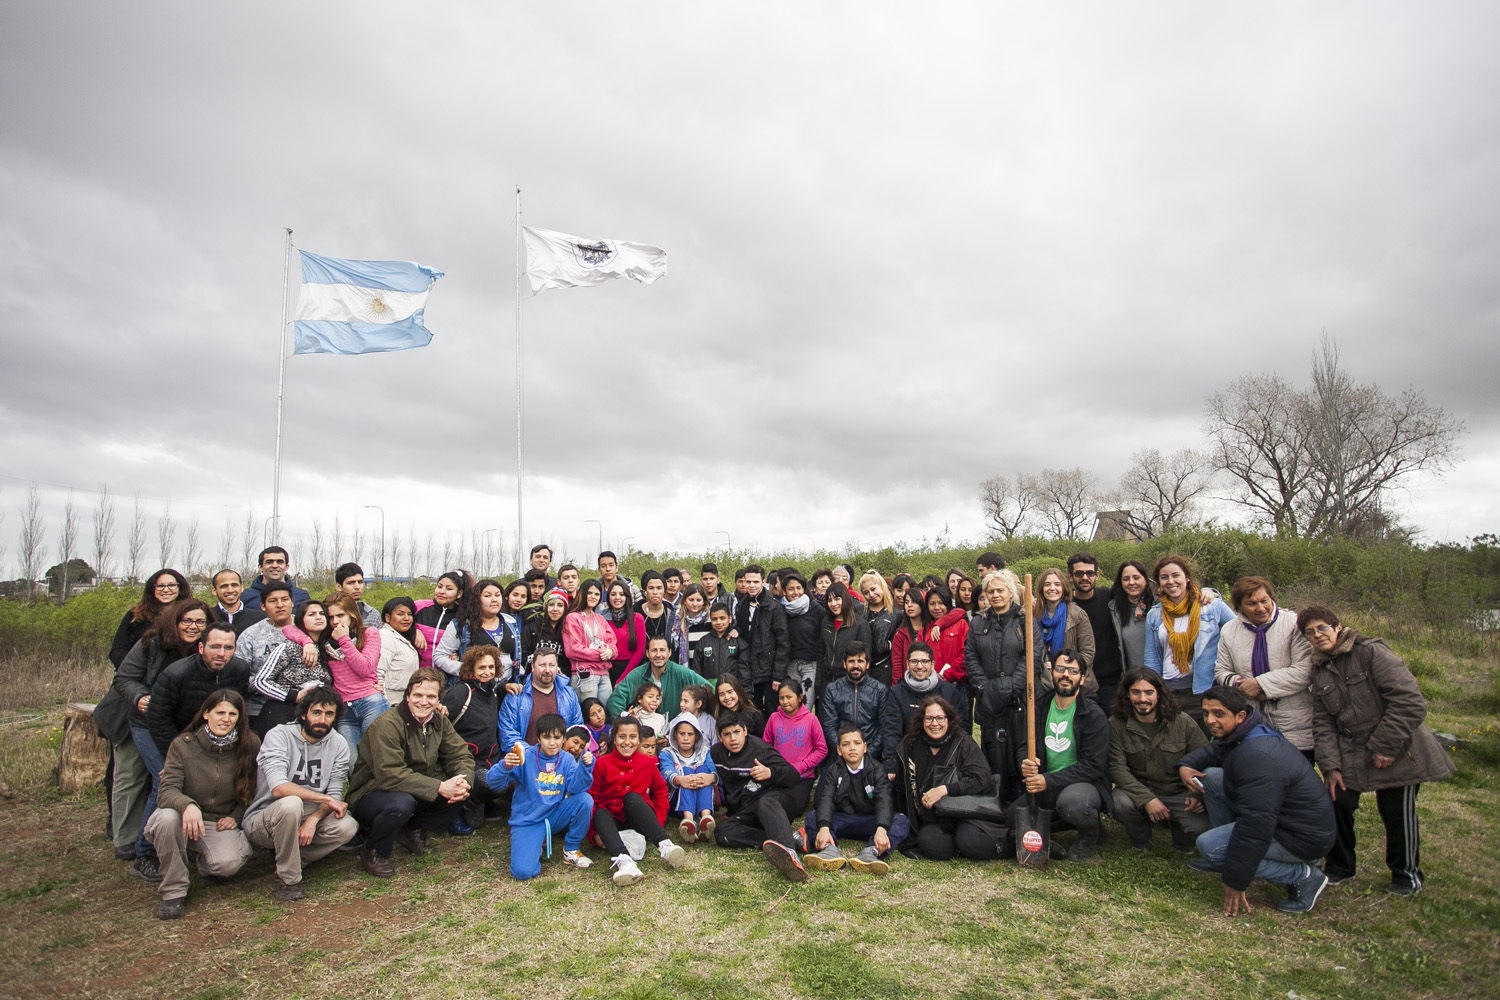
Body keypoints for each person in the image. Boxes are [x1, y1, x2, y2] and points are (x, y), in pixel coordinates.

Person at [1301, 606, 1455, 895]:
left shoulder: (1370, 652)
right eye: (1310, 632)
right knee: (1336, 800)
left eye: (1322, 627)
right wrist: (1331, 767)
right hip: (1352, 750)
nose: (1317, 635)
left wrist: (1385, 745)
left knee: (1396, 811)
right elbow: (1323, 723)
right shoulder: (1319, 669)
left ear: (1338, 626)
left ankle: (1406, 875)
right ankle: (1339, 867)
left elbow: (1410, 701)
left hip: (1399, 747)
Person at [96, 597, 212, 872]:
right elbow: (124, 678)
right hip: (147, 722)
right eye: (187, 620)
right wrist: (139, 697)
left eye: (200, 621)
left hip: (187, 726)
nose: (193, 626)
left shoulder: (209, 648)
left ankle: (187, 844)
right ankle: (146, 853)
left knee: (191, 781)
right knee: (165, 780)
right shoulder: (153, 644)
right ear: (175, 621)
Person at [345, 669, 475, 878]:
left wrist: (463, 781)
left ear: (439, 699)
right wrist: (440, 787)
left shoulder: (439, 721)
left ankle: (412, 830)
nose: (424, 702)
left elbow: (460, 755)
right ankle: (373, 850)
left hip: (415, 785)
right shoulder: (387, 724)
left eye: (431, 696)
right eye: (418, 695)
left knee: (464, 786)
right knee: (401, 804)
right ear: (408, 696)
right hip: (373, 792)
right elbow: (390, 774)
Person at [143, 689, 259, 919]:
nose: (226, 719)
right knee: (166, 818)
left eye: (232, 714)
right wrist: (187, 805)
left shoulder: (249, 743)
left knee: (227, 865)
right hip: (181, 818)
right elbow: (166, 791)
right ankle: (174, 891)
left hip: (216, 822)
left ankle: (199, 862)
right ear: (206, 714)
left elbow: (253, 790)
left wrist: (236, 816)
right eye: (220, 712)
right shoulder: (183, 745)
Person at [242, 686, 358, 901]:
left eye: (329, 714)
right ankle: (289, 878)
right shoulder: (279, 735)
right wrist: (325, 799)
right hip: (266, 815)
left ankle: (290, 859)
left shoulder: (338, 743)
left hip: (307, 812)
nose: (322, 719)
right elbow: (278, 788)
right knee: (291, 803)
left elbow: (334, 793)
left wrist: (314, 819)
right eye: (316, 712)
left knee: (347, 826)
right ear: (304, 713)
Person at [1018, 650, 1112, 859]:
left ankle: (1089, 835)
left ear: (1082, 678)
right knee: (1010, 820)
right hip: (1046, 781)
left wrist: (1048, 780)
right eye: (1060, 669)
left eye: (1073, 671)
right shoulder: (1039, 706)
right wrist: (1025, 762)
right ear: (1052, 674)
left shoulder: (1093, 714)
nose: (1065, 675)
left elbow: (1092, 766)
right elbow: (1025, 745)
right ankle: (1055, 828)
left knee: (1073, 805)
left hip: (1082, 784)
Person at [1212, 576, 1316, 757]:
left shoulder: (1293, 624)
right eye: (1251, 603)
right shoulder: (1229, 630)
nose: (1260, 608)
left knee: (1297, 776)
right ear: (1239, 607)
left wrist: (1261, 685)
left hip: (1294, 719)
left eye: (1264, 601)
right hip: (1253, 717)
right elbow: (1222, 670)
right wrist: (1243, 686)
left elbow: (1304, 670)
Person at [1108, 668, 1209, 852]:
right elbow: (1117, 768)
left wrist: (1196, 795)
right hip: (1140, 790)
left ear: (1159, 694)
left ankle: (1181, 838)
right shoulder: (1116, 724)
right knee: (1118, 802)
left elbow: (1205, 760)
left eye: (1149, 692)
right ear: (1127, 695)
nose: (1142, 699)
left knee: (1200, 828)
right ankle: (1142, 841)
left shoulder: (1183, 722)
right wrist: (1147, 799)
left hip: (1179, 792)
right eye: (1135, 692)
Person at [486, 713, 596, 880]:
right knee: (523, 873)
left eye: (557, 737)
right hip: (528, 820)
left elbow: (575, 788)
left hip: (554, 816)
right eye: (546, 737)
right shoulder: (525, 756)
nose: (552, 743)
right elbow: (492, 782)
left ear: (563, 739)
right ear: (538, 738)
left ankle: (571, 849)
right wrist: (505, 766)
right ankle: (535, 843)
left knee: (585, 800)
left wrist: (585, 767)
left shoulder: (566, 759)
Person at [964, 569, 1045, 793]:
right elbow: (971, 658)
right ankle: (998, 800)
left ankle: (1024, 799)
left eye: (1000, 590)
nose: (995, 595)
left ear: (1011, 592)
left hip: (1021, 699)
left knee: (1022, 751)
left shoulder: (1025, 621)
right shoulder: (978, 623)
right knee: (995, 754)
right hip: (991, 703)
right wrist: (986, 689)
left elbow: (1032, 656)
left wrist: (1010, 687)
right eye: (991, 591)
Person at [894, 695, 998, 861]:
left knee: (971, 841)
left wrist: (945, 790)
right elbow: (901, 787)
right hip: (933, 820)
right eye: (929, 718)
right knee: (928, 841)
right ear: (921, 721)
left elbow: (982, 779)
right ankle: (959, 848)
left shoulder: (963, 743)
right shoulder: (910, 745)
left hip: (964, 815)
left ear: (949, 719)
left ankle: (980, 844)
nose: (935, 724)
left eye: (940, 718)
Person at [710, 710, 809, 882]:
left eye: (736, 732)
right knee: (722, 832)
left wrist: (770, 772)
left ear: (745, 731)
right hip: (747, 810)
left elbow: (793, 775)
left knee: (766, 802)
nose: (733, 739)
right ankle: (784, 839)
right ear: (719, 736)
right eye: (727, 734)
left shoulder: (760, 749)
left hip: (776, 801)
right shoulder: (716, 753)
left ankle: (792, 858)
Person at [1144, 556, 1237, 730]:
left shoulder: (1212, 606)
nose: (1171, 581)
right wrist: (1154, 689)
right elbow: (1152, 657)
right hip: (1168, 691)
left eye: (1176, 575)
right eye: (1164, 578)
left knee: (1202, 743)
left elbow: (1240, 631)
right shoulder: (1155, 615)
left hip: (1203, 690)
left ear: (1186, 577)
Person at [803, 724, 910, 873]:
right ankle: (829, 850)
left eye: (857, 743)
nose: (852, 748)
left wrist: (882, 828)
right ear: (839, 750)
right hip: (844, 819)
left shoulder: (877, 769)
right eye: (846, 745)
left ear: (865, 747)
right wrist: (824, 827)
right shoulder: (834, 770)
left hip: (870, 820)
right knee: (813, 817)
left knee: (901, 820)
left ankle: (872, 852)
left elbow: (884, 800)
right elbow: (826, 799)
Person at [589, 716, 683, 885]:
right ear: (614, 739)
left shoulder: (647, 762)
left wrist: (658, 821)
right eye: (622, 737)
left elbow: (660, 790)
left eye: (632, 737)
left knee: (632, 797)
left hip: (638, 819)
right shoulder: (602, 763)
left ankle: (665, 845)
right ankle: (624, 862)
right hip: (612, 822)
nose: (627, 742)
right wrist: (594, 834)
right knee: (600, 813)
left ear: (639, 740)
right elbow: (592, 799)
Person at [441, 647, 505, 834]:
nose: (487, 672)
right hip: (466, 762)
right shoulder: (461, 692)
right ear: (471, 669)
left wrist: (504, 688)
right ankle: (459, 804)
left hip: (490, 759)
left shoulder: (492, 692)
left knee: (502, 782)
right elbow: (441, 723)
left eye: (491, 667)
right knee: (491, 784)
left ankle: (476, 800)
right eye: (482, 667)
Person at [250, 599, 334, 734]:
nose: (318, 617)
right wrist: (294, 695)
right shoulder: (289, 647)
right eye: (311, 614)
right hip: (282, 713)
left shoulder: (327, 648)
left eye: (322, 613)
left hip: (314, 717)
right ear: (301, 619)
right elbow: (260, 681)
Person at [819, 642, 898, 779]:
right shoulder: (832, 689)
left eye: (860, 661)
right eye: (851, 661)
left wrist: (866, 753)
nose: (856, 665)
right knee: (822, 797)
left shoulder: (879, 690)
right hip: (840, 755)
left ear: (867, 664)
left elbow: (883, 726)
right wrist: (844, 752)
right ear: (844, 664)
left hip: (871, 755)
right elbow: (829, 725)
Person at [232, 582, 298, 735]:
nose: (280, 605)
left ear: (292, 602)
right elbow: (240, 678)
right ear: (263, 606)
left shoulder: (307, 627)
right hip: (259, 710)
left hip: (302, 708)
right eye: (273, 601)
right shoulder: (251, 635)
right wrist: (272, 686)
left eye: (284, 599)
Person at [435, 579, 520, 688]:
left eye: (497, 595)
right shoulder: (461, 625)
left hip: (505, 688)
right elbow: (439, 656)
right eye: (487, 596)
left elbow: (516, 657)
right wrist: (468, 671)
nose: (494, 600)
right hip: (472, 689)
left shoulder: (510, 622)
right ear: (476, 600)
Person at [499, 647, 586, 752]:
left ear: (557, 668)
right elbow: (507, 734)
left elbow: (577, 729)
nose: (547, 670)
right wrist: (534, 756)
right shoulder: (516, 695)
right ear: (532, 667)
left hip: (560, 763)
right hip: (525, 763)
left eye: (552, 665)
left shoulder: (569, 694)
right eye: (542, 665)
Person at [607, 636, 713, 722]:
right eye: (654, 650)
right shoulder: (637, 675)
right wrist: (627, 719)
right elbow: (614, 701)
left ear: (669, 653)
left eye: (662, 650)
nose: (658, 655)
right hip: (644, 734)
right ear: (647, 654)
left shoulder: (681, 672)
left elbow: (709, 688)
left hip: (676, 731)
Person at [1068, 552, 1120, 710]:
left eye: (1089, 573)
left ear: (1097, 575)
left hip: (1109, 681)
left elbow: (1139, 596)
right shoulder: (1065, 603)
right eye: (1079, 573)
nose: (1085, 577)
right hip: (1076, 679)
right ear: (1070, 577)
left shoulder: (1109, 597)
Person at [109, 569, 191, 668]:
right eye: (160, 586)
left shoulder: (190, 616)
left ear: (180, 588)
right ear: (152, 590)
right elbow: (118, 649)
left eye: (172, 585)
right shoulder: (136, 615)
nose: (166, 590)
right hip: (138, 674)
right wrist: (129, 673)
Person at [886, 640, 970, 737]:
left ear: (932, 664)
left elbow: (961, 728)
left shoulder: (950, 692)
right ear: (907, 664)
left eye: (924, 661)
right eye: (914, 661)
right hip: (908, 749)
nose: (919, 666)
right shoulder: (897, 693)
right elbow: (891, 732)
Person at [1033, 568, 1097, 692]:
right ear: (1041, 588)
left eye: (1057, 584)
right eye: (1047, 584)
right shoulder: (1032, 614)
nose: (1052, 588)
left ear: (1064, 588)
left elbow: (1088, 652)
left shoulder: (1078, 615)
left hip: (1072, 682)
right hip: (1040, 682)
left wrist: (1063, 668)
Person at [737, 564, 789, 710]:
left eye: (755, 582)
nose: (751, 586)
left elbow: (783, 642)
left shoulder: (774, 607)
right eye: (748, 582)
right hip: (749, 670)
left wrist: (778, 675)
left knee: (773, 711)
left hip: (770, 671)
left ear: (763, 582)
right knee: (753, 711)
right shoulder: (741, 606)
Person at [659, 713, 717, 843]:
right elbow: (666, 771)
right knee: (686, 771)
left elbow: (714, 770)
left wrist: (710, 777)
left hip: (702, 796)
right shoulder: (667, 753)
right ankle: (688, 821)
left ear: (696, 735)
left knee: (703, 770)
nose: (686, 738)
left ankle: (706, 819)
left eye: (690, 734)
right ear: (675, 734)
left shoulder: (705, 751)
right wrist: (680, 779)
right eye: (682, 734)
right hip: (677, 799)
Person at [564, 579, 617, 705]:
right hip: (585, 674)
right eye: (590, 593)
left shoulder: (600, 619)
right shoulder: (572, 618)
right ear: (582, 594)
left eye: (597, 594)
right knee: (589, 716)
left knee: (603, 717)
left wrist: (611, 652)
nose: (593, 597)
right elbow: (573, 650)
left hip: (604, 675)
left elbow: (613, 643)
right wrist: (601, 654)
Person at [763, 679, 827, 783]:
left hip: (803, 775)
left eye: (789, 697)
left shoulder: (811, 719)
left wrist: (802, 766)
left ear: (800, 698)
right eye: (781, 698)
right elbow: (766, 746)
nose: (785, 702)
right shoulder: (773, 718)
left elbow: (822, 750)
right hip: (779, 773)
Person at [818, 583, 872, 702]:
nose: (833, 604)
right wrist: (818, 684)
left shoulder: (860, 624)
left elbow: (866, 658)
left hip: (850, 681)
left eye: (837, 599)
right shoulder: (826, 623)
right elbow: (821, 653)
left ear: (845, 599)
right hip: (827, 680)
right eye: (830, 600)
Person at [780, 573, 827, 697]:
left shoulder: (816, 610)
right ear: (784, 591)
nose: (796, 592)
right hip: (790, 664)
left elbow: (822, 640)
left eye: (799, 588)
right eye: (791, 589)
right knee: (791, 701)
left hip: (810, 664)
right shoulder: (780, 611)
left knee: (806, 702)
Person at [413, 570, 469, 672]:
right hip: (414, 674)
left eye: (449, 589)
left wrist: (457, 656)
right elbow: (396, 624)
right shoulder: (419, 606)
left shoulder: (462, 617)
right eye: (439, 586)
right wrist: (414, 631)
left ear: (459, 593)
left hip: (445, 677)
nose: (442, 591)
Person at [1109, 560, 1155, 673]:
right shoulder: (1115, 608)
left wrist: (1206, 591)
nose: (1131, 582)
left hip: (1161, 678)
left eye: (1136, 577)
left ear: (1145, 579)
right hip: (1133, 677)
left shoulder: (1159, 604)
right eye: (1126, 579)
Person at [376, 597, 422, 706]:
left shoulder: (401, 638)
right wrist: (384, 704)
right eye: (400, 614)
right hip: (390, 703)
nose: (406, 618)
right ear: (387, 617)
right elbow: (378, 674)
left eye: (410, 614)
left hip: (403, 702)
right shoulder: (385, 636)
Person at [857, 571, 900, 686]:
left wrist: (886, 645)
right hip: (863, 669)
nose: (871, 594)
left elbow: (901, 641)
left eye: (873, 589)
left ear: (882, 587)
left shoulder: (897, 614)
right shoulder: (859, 612)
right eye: (866, 592)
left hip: (886, 668)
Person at [601, 580, 648, 685]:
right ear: (608, 597)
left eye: (621, 594)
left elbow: (640, 651)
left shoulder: (637, 618)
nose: (617, 598)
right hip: (606, 672)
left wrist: (623, 679)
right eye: (613, 594)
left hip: (630, 671)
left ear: (627, 597)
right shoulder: (602, 619)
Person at [923, 585, 970, 686]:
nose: (936, 608)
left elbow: (966, 653)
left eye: (941, 603)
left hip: (958, 682)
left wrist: (947, 674)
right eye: (932, 604)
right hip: (931, 683)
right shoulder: (923, 631)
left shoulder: (961, 624)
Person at [522, 587, 572, 678]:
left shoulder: (568, 631)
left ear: (565, 609)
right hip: (533, 677)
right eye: (551, 604)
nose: (555, 609)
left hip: (559, 678)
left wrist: (563, 674)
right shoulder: (532, 627)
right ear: (545, 606)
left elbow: (569, 660)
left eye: (560, 605)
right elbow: (524, 653)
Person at [242, 546, 310, 611]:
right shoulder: (245, 596)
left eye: (279, 562)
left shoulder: (302, 596)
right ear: (260, 567)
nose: (274, 566)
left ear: (286, 566)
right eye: (269, 562)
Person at [692, 601, 743, 684]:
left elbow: (744, 672)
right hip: (709, 690)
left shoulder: (738, 642)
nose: (718, 622)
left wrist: (747, 694)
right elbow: (696, 670)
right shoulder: (703, 642)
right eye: (714, 619)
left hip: (732, 689)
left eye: (722, 618)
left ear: (730, 619)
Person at [890, 587, 932, 684]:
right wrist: (898, 688)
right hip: (908, 684)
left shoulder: (933, 629)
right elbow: (897, 666)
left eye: (914, 602)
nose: (909, 605)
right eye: (906, 602)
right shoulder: (900, 634)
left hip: (931, 682)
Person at [210, 569, 266, 634]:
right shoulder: (206, 617)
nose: (230, 590)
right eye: (224, 586)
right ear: (214, 591)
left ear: (241, 588)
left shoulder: (259, 618)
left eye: (234, 585)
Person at [636, 571, 677, 655]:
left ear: (664, 591)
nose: (655, 592)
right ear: (645, 592)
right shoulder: (635, 612)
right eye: (651, 588)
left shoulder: (672, 613)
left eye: (659, 588)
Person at [714, 675, 764, 740]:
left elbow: (763, 739)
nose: (727, 697)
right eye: (721, 694)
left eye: (730, 692)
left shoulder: (753, 715)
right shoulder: (717, 716)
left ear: (738, 691)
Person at [334, 562, 382, 629]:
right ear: (339, 586)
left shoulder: (371, 614)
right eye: (351, 583)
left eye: (360, 582)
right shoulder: (330, 612)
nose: (357, 587)